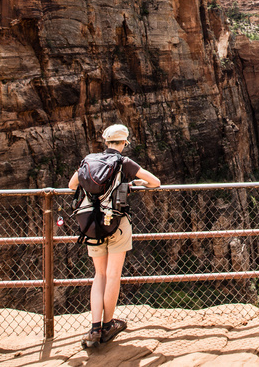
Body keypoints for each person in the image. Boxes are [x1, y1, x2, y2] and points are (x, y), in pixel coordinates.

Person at [68, 123, 161, 349]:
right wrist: (134, 184)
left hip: (91, 225)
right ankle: (108, 324)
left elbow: (72, 185)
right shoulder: (124, 162)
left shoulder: (89, 160)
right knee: (112, 276)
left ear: (105, 142)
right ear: (124, 143)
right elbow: (155, 182)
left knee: (99, 275)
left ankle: (94, 328)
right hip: (117, 225)